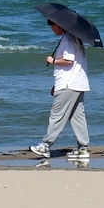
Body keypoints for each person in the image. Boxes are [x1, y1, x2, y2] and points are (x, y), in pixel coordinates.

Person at [29, 19, 90, 159]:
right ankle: (83, 148)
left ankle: (45, 145)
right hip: (77, 83)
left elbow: (69, 60)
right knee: (77, 116)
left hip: (69, 84)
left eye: (51, 24)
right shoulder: (75, 38)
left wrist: (53, 61)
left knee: (57, 115)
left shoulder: (68, 39)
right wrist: (56, 83)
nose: (51, 28)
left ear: (58, 24)